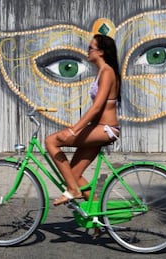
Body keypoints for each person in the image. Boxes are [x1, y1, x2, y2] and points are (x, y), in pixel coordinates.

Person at [45, 34, 121, 206]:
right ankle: (96, 218)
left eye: (90, 48)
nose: (87, 51)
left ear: (100, 52)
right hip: (98, 127)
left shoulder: (107, 72)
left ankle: (72, 190)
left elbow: (96, 108)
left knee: (51, 141)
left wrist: (74, 129)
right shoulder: (102, 72)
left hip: (105, 129)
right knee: (74, 174)